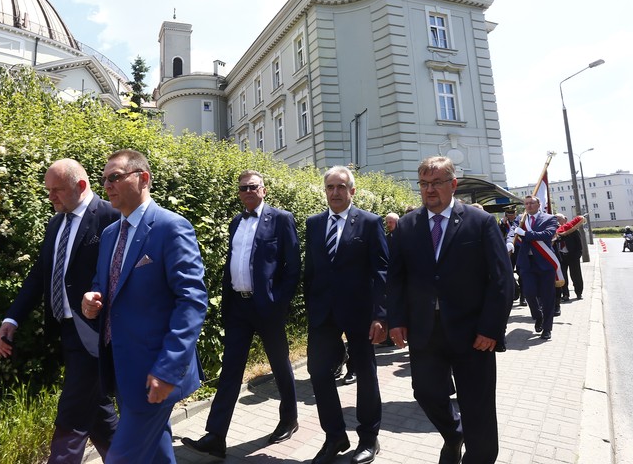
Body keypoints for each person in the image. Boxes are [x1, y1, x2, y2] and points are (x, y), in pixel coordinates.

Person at [81, 149, 208, 463]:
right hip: (121, 365)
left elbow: (191, 301)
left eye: (115, 177)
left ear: (143, 178)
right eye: (104, 179)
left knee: (122, 457)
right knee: (158, 452)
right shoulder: (110, 234)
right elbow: (105, 284)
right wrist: (92, 299)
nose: (107, 185)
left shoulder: (171, 227)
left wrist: (168, 369)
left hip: (155, 369)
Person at [386, 156, 513, 464]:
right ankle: (453, 434)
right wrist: (397, 320)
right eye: (424, 184)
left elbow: (501, 279)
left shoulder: (480, 222)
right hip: (425, 331)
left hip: (474, 333)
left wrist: (490, 328)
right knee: (425, 393)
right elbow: (396, 278)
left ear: (453, 184)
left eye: (437, 183)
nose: (429, 190)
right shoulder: (406, 226)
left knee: (477, 407)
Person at [0, 158, 118, 462]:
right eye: (48, 190)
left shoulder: (110, 217)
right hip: (67, 331)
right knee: (98, 413)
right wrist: (12, 318)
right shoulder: (56, 223)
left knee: (72, 414)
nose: (50, 196)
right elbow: (40, 274)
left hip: (97, 334)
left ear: (81, 185)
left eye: (57, 190)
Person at [182, 170, 301, 457]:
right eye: (242, 188)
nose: (247, 191)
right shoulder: (237, 221)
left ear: (264, 190)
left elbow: (293, 266)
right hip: (238, 306)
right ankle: (216, 435)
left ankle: (289, 419)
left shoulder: (281, 219)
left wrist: (279, 302)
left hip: (267, 307)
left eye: (252, 187)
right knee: (231, 370)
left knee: (280, 364)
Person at [304, 165, 388, 464]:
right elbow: (311, 269)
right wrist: (310, 307)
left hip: (360, 312)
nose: (335, 192)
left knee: (365, 373)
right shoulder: (314, 223)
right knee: (318, 372)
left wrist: (381, 314)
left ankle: (369, 437)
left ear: (352, 191)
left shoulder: (369, 222)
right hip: (323, 313)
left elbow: (381, 270)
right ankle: (335, 436)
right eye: (330, 187)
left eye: (341, 187)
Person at [507, 195, 559, 340]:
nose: (528, 206)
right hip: (526, 262)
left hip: (545, 262)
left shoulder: (549, 218)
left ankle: (547, 328)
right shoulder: (521, 219)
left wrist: (526, 234)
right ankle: (538, 316)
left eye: (531, 203)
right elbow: (512, 231)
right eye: (526, 203)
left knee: (547, 296)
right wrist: (509, 242)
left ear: (538, 204)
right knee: (529, 293)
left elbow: (547, 235)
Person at [555, 213, 584, 300]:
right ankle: (565, 294)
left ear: (565, 219)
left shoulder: (573, 230)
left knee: (576, 275)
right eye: (555, 220)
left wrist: (578, 255)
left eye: (559, 219)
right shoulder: (555, 232)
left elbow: (579, 244)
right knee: (563, 276)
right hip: (561, 256)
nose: (557, 222)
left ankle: (578, 293)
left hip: (573, 256)